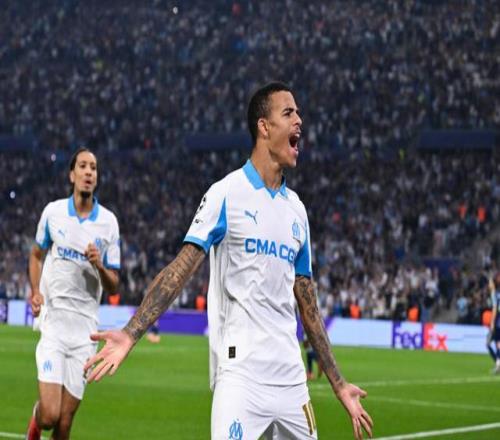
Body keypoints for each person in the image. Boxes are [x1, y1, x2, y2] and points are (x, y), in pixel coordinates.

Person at [84, 82, 373, 439]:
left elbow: (307, 301)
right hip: (241, 376)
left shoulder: (297, 210)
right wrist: (131, 333)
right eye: (288, 113)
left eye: (298, 113)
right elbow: (181, 267)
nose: (299, 120)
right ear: (264, 127)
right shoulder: (226, 193)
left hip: (292, 380)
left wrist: (339, 383)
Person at [26, 147, 121, 440]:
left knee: (65, 423)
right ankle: (35, 422)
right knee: (49, 415)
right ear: (72, 175)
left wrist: (99, 265)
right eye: (83, 166)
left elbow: (114, 286)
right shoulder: (53, 213)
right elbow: (36, 254)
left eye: (93, 167)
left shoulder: (108, 223)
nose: (89, 172)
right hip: (54, 325)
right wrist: (35, 291)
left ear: (97, 177)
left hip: (85, 334)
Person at [488, 275, 500, 374]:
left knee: (491, 343)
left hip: (498, 321)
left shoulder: (494, 294)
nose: (489, 284)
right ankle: (498, 364)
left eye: (490, 283)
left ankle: (498, 364)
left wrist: (492, 322)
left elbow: (495, 309)